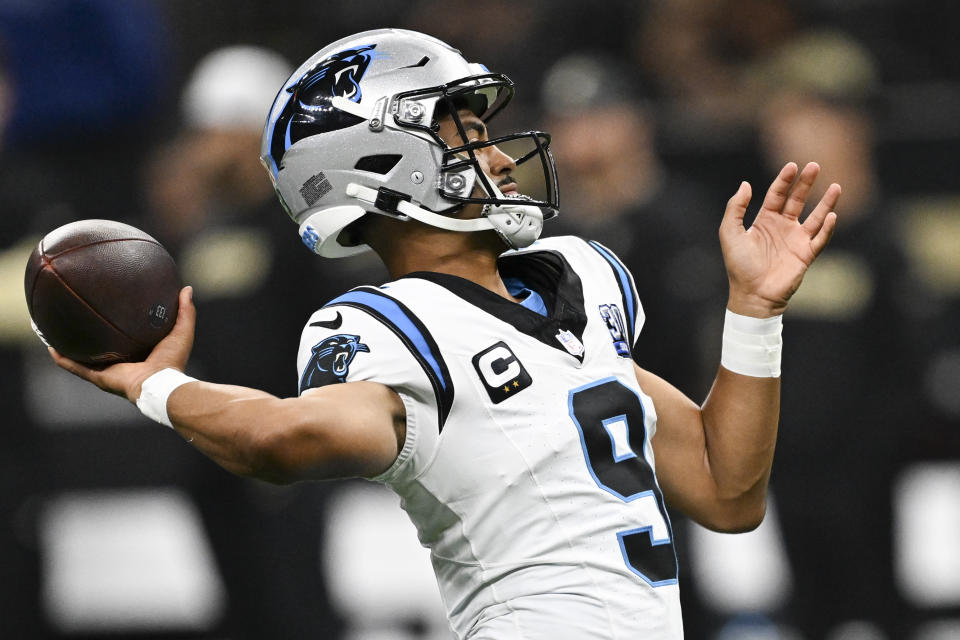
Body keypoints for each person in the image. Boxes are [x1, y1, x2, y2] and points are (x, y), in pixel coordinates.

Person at [48, 29, 839, 639]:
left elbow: (727, 493)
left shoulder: (581, 277)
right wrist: (154, 385)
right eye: (463, 132)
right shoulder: (382, 329)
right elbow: (281, 441)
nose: (497, 152)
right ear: (383, 161)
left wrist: (754, 312)